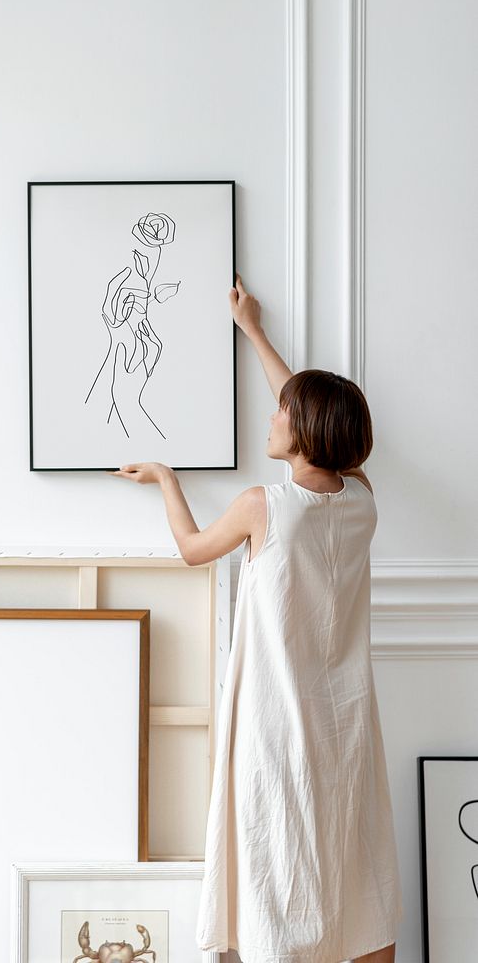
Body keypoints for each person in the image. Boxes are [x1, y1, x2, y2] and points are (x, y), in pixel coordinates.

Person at [109, 274, 404, 963]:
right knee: (346, 858)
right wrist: (254, 332)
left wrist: (166, 479)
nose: (272, 418)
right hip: (347, 721)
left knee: (277, 863)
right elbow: (306, 407)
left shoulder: (260, 506)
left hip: (276, 722)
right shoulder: (361, 501)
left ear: (303, 430)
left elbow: (189, 552)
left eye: (283, 414)